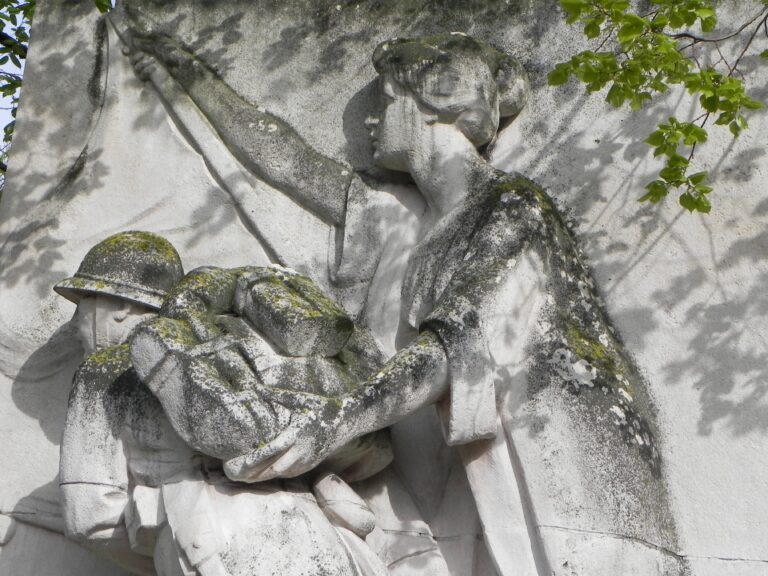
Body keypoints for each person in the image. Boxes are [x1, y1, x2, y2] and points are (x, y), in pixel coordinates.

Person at [126, 33, 688, 576]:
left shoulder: (511, 208)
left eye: (389, 98)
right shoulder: (390, 213)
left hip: (552, 474)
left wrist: (334, 423)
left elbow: (454, 344)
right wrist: (186, 75)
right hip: (421, 482)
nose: (373, 116)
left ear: (432, 105)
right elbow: (284, 158)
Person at [57, 231, 388, 576]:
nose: (76, 324)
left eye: (82, 307)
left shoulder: (102, 371)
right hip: (322, 535)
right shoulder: (238, 351)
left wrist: (162, 524)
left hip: (206, 541)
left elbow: (88, 516)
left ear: (120, 308)